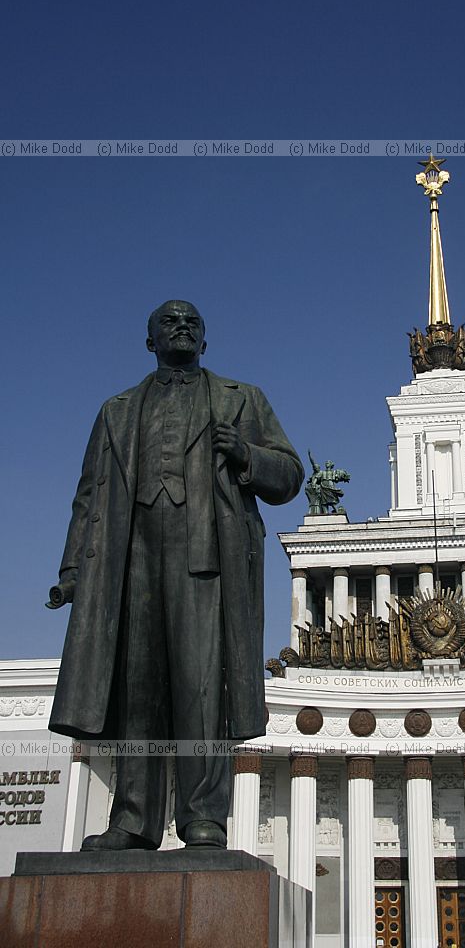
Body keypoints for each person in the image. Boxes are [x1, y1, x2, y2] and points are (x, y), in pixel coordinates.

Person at [47, 300, 303, 850]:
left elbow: (289, 476)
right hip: (131, 558)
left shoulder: (242, 399)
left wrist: (247, 455)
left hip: (205, 559)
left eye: (192, 322)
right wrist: (73, 570)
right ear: (149, 340)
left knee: (201, 689)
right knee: (136, 691)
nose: (181, 327)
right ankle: (133, 818)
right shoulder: (116, 410)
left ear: (206, 341)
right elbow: (88, 495)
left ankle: (200, 816)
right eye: (169, 321)